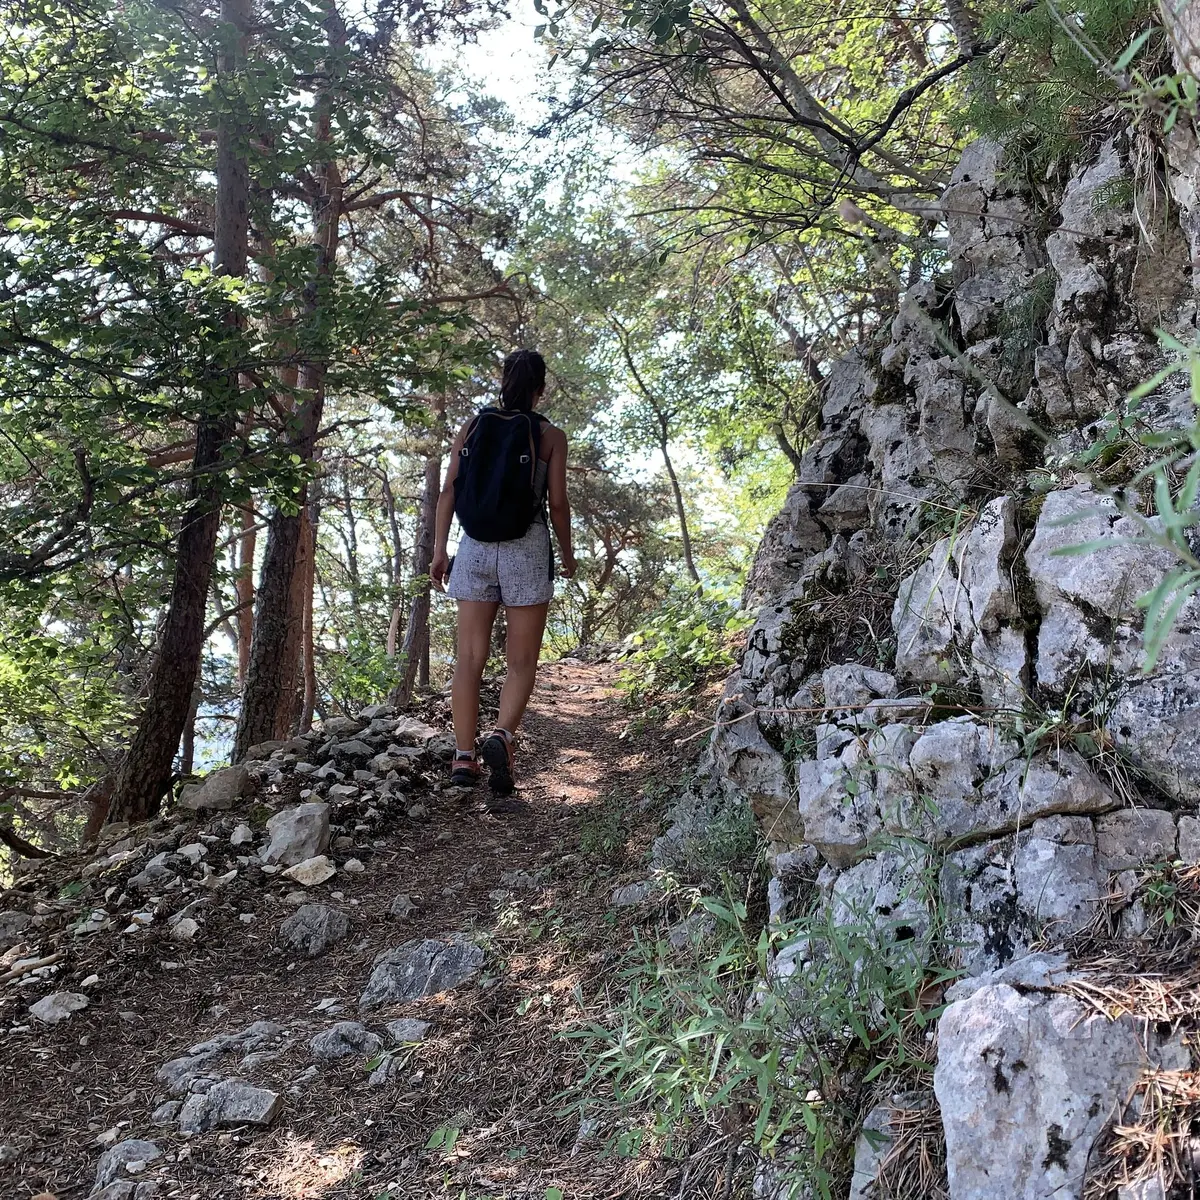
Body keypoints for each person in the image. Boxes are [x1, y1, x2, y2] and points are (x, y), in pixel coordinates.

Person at [431, 349, 576, 800]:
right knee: (521, 663)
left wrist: (440, 550)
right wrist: (569, 556)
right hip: (526, 548)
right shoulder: (551, 436)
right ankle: (502, 737)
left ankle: (462, 757)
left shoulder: (473, 426)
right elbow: (556, 504)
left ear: (502, 381)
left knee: (469, 660)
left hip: (473, 547)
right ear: (541, 388)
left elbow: (449, 490)